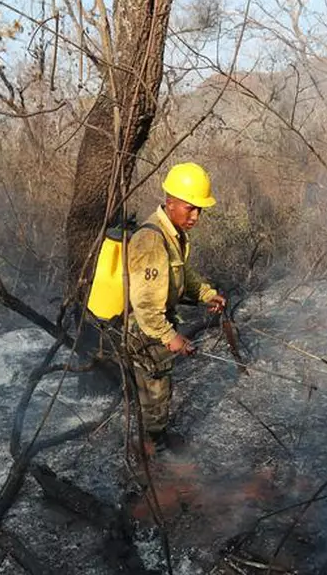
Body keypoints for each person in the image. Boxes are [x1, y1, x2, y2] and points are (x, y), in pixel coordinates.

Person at [124, 162, 226, 453]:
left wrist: (206, 293)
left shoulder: (173, 233)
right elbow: (144, 305)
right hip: (146, 329)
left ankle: (155, 437)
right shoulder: (151, 239)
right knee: (155, 390)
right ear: (170, 202)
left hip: (157, 324)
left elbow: (181, 273)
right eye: (189, 208)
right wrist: (170, 337)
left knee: (160, 384)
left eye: (199, 210)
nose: (196, 216)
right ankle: (149, 448)